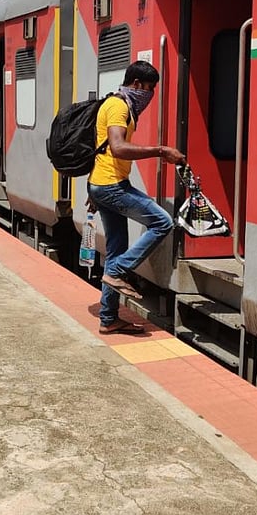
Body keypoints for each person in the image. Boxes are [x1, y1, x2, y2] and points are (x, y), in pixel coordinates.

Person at [87, 60, 185, 335]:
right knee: (163, 222)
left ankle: (108, 318)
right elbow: (117, 147)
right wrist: (161, 151)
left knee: (117, 247)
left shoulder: (119, 105)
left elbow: (101, 149)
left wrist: (92, 188)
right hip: (111, 186)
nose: (150, 94)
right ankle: (116, 270)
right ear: (136, 85)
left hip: (103, 184)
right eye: (149, 88)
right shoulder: (118, 106)